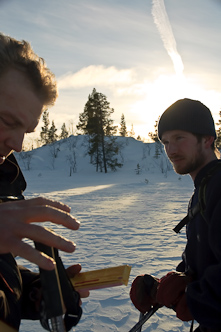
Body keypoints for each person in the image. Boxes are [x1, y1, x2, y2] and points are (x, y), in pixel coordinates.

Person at [0, 32, 88, 330]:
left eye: (26, 129)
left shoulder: (5, 183)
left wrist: (36, 291)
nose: (17, 143)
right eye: (7, 120)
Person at [130, 98, 221, 332]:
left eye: (179, 138)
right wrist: (163, 288)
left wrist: (192, 299)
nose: (171, 150)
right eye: (165, 142)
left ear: (207, 139)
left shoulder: (217, 188)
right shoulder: (204, 188)